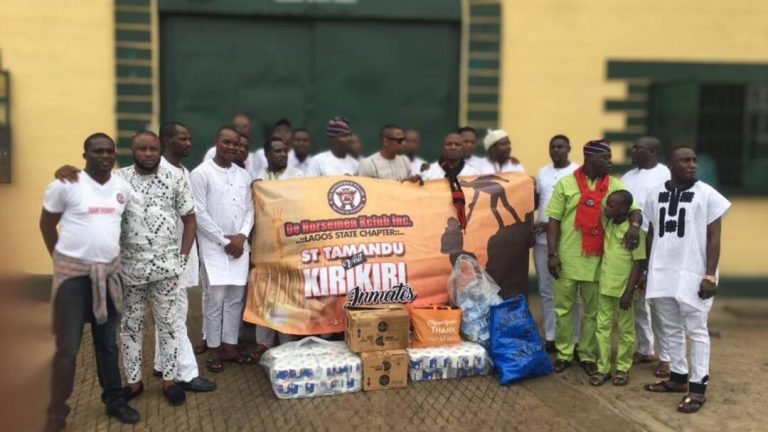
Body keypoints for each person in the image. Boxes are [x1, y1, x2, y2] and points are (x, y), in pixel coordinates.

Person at [40, 133, 139, 430]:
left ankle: (115, 400)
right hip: (74, 279)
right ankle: (56, 412)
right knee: (67, 349)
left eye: (109, 151)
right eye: (97, 151)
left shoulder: (122, 187)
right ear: (85, 155)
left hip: (108, 276)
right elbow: (46, 224)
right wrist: (60, 261)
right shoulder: (65, 185)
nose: (104, 156)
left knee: (108, 345)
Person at [642, 147, 730, 414]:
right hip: (662, 271)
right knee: (670, 328)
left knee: (697, 330)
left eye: (694, 160)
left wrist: (709, 275)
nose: (692, 165)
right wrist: (647, 269)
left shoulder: (707, 194)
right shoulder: (654, 193)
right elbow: (651, 232)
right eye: (685, 161)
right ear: (670, 164)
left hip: (693, 272)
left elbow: (714, 237)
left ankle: (698, 387)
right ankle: (678, 377)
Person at [113, 131, 197, 407]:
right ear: (132, 150)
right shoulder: (118, 179)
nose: (148, 154)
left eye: (153, 149)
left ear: (160, 149)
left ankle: (169, 380)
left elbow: (190, 219)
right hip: (130, 271)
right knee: (130, 327)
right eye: (142, 149)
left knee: (169, 326)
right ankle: (134, 382)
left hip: (167, 270)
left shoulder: (174, 177)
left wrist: (182, 259)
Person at [546, 139, 643, 375]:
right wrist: (552, 254)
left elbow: (634, 209)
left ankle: (587, 354)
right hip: (567, 257)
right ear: (590, 159)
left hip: (598, 260)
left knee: (593, 313)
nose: (610, 162)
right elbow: (554, 220)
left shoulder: (614, 185)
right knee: (563, 309)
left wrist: (634, 227)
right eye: (605, 158)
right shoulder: (566, 184)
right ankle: (564, 353)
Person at [153, 122, 217, 393]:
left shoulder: (182, 170)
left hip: (183, 254)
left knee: (169, 313)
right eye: (183, 139)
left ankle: (161, 363)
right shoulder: (157, 172)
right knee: (176, 316)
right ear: (167, 140)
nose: (189, 143)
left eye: (190, 138)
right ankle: (187, 374)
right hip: (168, 257)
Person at [190, 126, 256, 373]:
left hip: (240, 246)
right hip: (214, 247)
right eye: (226, 142)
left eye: (235, 144)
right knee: (215, 300)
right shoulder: (201, 173)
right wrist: (224, 240)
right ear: (216, 141)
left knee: (235, 299)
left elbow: (250, 209)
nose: (231, 147)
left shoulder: (244, 175)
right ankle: (214, 349)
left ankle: (230, 346)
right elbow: (198, 212)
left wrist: (242, 236)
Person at [620, 135, 672, 377]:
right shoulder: (627, 177)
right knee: (638, 298)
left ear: (651, 151)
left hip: (659, 242)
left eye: (638, 148)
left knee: (659, 304)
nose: (633, 151)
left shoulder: (666, 175)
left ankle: (667, 358)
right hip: (632, 242)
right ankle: (645, 348)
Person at [590, 190, 646, 386]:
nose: (606, 209)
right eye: (607, 204)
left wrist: (629, 292)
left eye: (611, 206)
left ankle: (622, 368)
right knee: (602, 328)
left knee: (625, 330)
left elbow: (638, 263)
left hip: (624, 291)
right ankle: (603, 368)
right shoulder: (608, 223)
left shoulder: (635, 234)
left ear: (623, 209)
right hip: (605, 287)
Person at [533, 135, 580, 351]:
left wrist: (552, 225)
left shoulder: (577, 172)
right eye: (553, 147)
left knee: (572, 292)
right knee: (546, 290)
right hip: (542, 241)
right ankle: (551, 336)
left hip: (568, 240)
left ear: (569, 148)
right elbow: (536, 202)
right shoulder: (543, 172)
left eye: (561, 147)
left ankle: (574, 338)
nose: (556, 150)